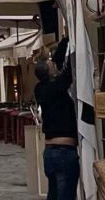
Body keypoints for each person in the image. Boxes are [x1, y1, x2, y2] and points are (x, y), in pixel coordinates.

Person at [34, 37, 80, 200]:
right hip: (63, 153)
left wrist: (66, 40)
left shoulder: (40, 89)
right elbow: (68, 74)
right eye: (52, 65)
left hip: (50, 153)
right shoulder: (55, 89)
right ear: (49, 72)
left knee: (53, 195)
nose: (55, 65)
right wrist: (74, 40)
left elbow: (59, 62)